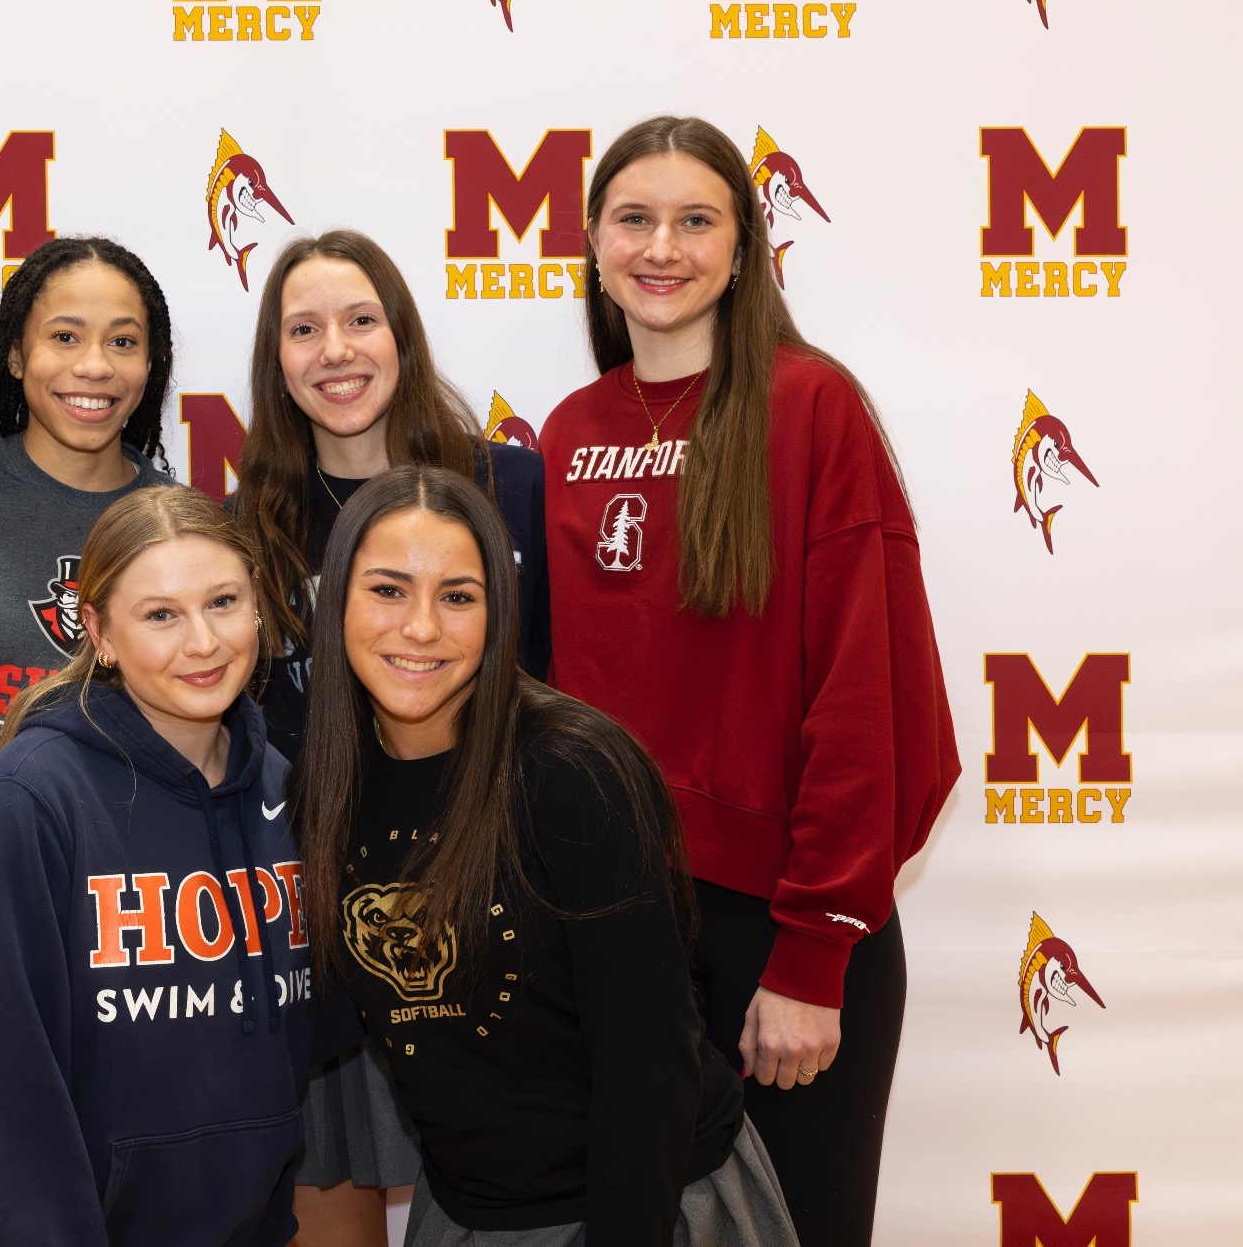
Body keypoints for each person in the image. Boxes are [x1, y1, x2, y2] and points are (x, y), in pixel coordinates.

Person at [539, 115, 960, 1246]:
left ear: (743, 246)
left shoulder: (809, 406)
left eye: (694, 220)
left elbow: (869, 699)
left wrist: (814, 949)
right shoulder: (570, 434)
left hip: (779, 932)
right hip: (620, 933)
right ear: (590, 241)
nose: (660, 247)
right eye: (632, 218)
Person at [297, 464, 796, 1247]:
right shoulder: (320, 788)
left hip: (645, 1205)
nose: (420, 627)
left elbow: (648, 1062)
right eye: (388, 590)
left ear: (499, 614)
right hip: (468, 1211)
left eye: (458, 596)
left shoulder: (571, 770)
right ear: (336, 603)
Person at [0, 486, 357, 1245]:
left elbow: (294, 1044)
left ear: (260, 607)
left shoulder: (282, 789)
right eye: (160, 614)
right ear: (100, 632)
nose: (203, 642)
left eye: (223, 601)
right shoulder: (25, 801)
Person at [230, 229, 548, 1242]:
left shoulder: (510, 489)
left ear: (400, 335)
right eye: (303, 328)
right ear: (274, 361)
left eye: (360, 319)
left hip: (496, 918)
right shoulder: (248, 528)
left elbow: (554, 697)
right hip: (337, 931)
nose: (335, 349)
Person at [0, 237, 176, 1142]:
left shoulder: (181, 523)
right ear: (16, 353)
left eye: (124, 341)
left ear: (151, 363)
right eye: (65, 335)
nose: (94, 366)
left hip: (133, 960)